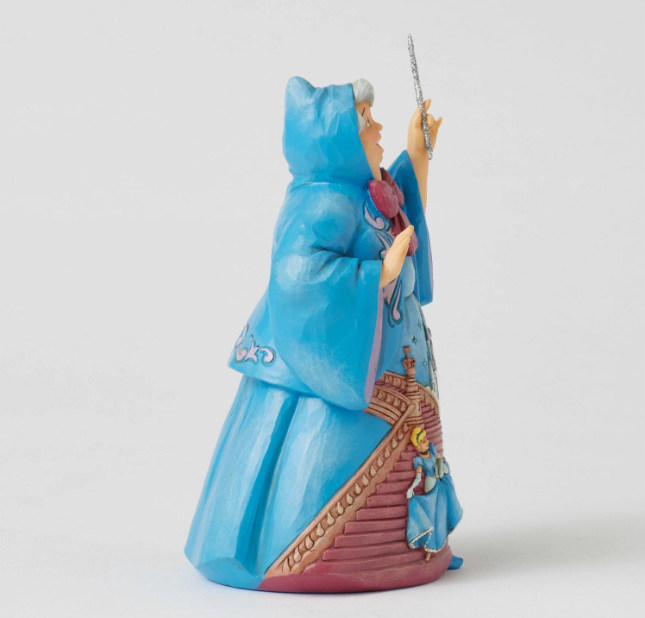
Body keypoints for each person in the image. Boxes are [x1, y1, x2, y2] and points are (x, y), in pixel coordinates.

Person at [185, 76, 451, 590]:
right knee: (312, 467)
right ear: (338, 139)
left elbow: (399, 208)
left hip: (390, 354)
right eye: (366, 121)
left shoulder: (362, 191)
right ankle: (313, 551)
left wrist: (418, 153)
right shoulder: (322, 202)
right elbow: (296, 274)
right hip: (330, 363)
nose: (377, 128)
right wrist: (378, 274)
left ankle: (407, 546)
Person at [406, 428, 463, 562]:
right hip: (431, 486)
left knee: (441, 515)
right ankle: (429, 548)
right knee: (432, 515)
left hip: (439, 484)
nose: (426, 442)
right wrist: (411, 488)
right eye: (423, 441)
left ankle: (439, 545)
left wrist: (440, 464)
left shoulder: (431, 451)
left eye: (426, 439)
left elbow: (439, 462)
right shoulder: (419, 461)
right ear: (417, 446)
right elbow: (418, 478)